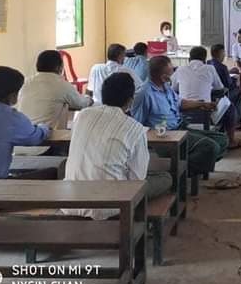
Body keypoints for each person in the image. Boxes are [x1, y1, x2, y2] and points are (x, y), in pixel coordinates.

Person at [63, 73, 172, 220]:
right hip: (111, 206)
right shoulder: (135, 129)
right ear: (130, 101)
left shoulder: (82, 116)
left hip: (69, 200)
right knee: (165, 178)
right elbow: (137, 180)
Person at [132, 56, 229, 176]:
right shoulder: (144, 94)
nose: (173, 74)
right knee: (209, 147)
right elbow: (137, 125)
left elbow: (180, 103)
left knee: (222, 140)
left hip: (180, 127)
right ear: (163, 77)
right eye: (170, 72)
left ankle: (186, 168)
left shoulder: (165, 87)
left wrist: (202, 104)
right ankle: (177, 174)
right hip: (164, 136)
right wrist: (157, 136)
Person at [17, 49, 93, 155]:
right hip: (42, 146)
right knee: (80, 140)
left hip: (18, 145)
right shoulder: (61, 84)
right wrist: (89, 98)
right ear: (59, 67)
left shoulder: (26, 82)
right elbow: (82, 103)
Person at [171, 46, 241, 148]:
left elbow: (173, 88)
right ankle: (231, 140)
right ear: (204, 60)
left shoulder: (180, 69)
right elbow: (220, 88)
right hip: (204, 112)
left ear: (189, 59)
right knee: (230, 107)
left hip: (183, 112)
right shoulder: (209, 68)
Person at [209, 43, 241, 131]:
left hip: (210, 92)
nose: (224, 55)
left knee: (234, 73)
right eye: (223, 53)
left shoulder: (208, 63)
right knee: (238, 92)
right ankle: (239, 121)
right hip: (221, 93)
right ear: (219, 53)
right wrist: (234, 79)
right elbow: (228, 84)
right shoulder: (222, 67)